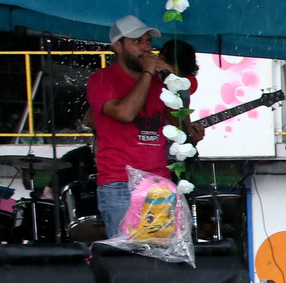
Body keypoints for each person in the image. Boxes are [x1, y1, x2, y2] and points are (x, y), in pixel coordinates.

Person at [86, 15, 204, 237]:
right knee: (128, 253)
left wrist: (173, 83)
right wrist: (149, 73)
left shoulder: (160, 82)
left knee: (162, 252)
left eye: (148, 41)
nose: (146, 47)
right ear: (118, 47)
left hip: (159, 182)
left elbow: (177, 127)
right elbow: (124, 113)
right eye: (137, 41)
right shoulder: (103, 79)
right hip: (120, 183)